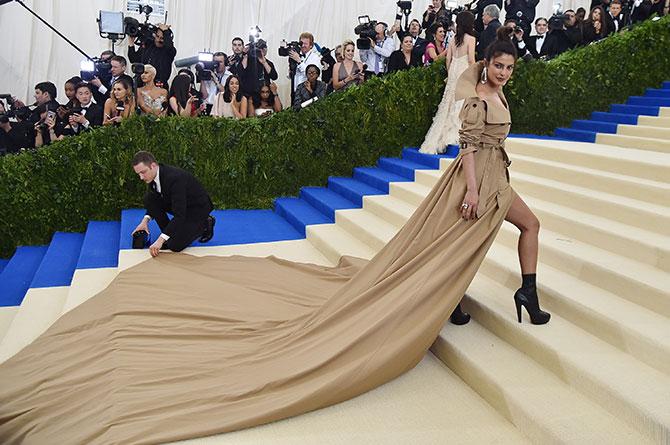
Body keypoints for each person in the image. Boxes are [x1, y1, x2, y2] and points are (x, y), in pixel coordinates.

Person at [0, 27, 552, 445]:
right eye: (497, 64)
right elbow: (470, 150)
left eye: (508, 65)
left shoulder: (499, 90)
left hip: (499, 178)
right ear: (486, 62)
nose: (503, 72)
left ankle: (521, 291)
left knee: (502, 234)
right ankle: (462, 298)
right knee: (457, 246)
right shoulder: (476, 95)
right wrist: (476, 191)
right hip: (477, 184)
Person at [131, 151, 215, 257]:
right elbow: (154, 200)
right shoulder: (154, 175)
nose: (141, 177)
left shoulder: (175, 179)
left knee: (175, 245)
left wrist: (160, 240)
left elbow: (180, 214)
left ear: (153, 165)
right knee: (149, 198)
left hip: (196, 209)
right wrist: (144, 222)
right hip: (179, 204)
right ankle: (169, 233)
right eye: (138, 174)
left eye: (143, 172)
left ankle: (206, 223)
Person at [420, 10, 477, 154]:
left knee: (448, 103)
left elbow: (447, 59)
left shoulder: (453, 39)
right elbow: (471, 59)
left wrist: (451, 73)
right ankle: (453, 135)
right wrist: (475, 74)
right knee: (461, 101)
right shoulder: (471, 39)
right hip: (464, 71)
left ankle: (438, 138)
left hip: (453, 71)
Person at [128, 24, 176, 88]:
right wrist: (131, 44)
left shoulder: (169, 51)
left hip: (158, 86)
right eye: (157, 36)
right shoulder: (148, 45)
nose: (158, 40)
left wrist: (165, 31)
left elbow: (169, 45)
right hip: (142, 84)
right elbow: (133, 59)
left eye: (162, 38)